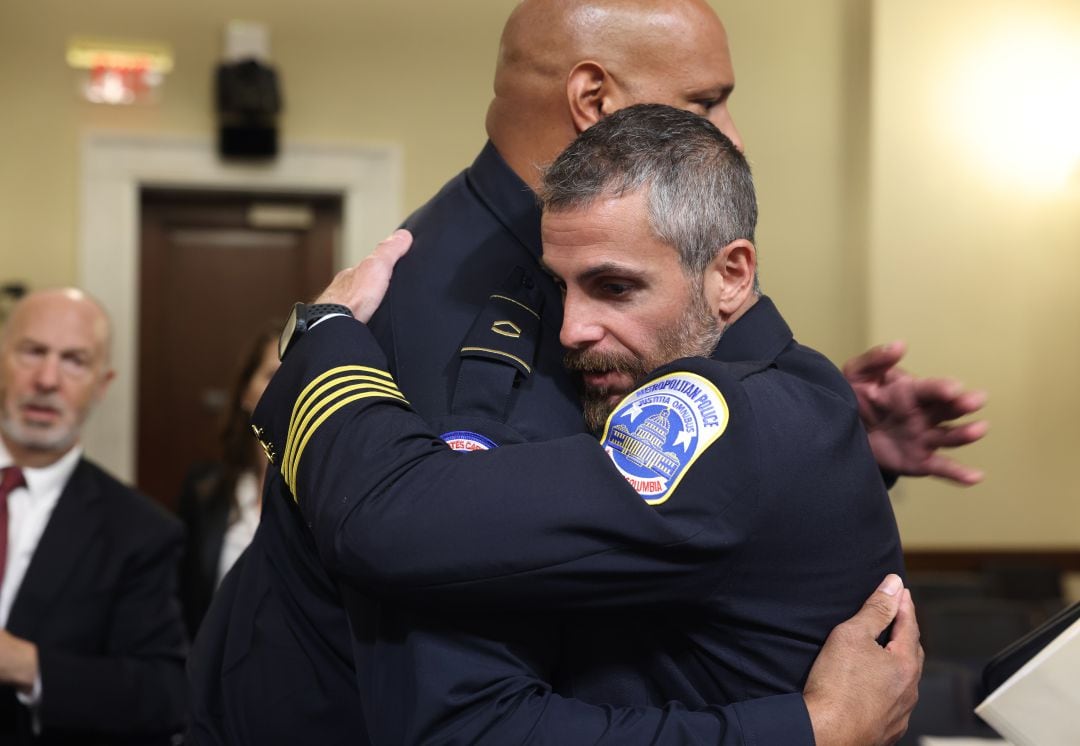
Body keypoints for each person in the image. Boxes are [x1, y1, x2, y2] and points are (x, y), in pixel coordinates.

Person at [191, 0, 969, 742]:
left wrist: (827, 457)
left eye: (612, 286)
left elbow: (710, 465)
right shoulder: (500, 325)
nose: (735, 137)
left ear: (733, 273)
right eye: (706, 103)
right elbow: (462, 710)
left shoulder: (548, 275)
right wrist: (811, 729)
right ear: (593, 98)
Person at [0, 288, 187, 745]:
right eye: (33, 352)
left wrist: (25, 664)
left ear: (102, 384)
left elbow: (163, 694)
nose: (47, 379)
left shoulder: (141, 532)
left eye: (74, 361)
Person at [177, 324, 279, 636]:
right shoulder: (204, 489)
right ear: (245, 394)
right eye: (273, 376)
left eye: (302, 374)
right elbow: (182, 596)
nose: (289, 386)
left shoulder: (336, 492)